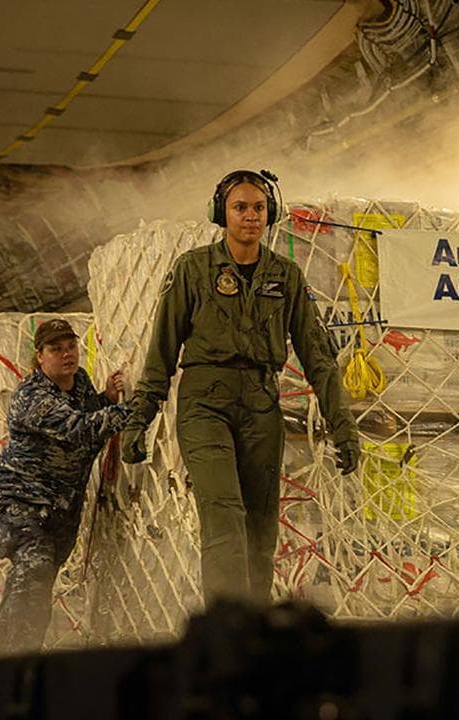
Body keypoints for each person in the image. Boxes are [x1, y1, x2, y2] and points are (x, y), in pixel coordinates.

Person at [120, 169, 360, 607]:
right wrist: (140, 419)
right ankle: (225, 632)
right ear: (221, 213)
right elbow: (161, 351)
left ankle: (257, 632)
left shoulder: (285, 277)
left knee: (260, 528)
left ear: (271, 215)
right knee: (225, 517)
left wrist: (342, 426)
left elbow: (318, 359)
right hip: (204, 403)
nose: (250, 217)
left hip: (260, 405)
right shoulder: (192, 269)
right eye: (240, 208)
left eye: (259, 208)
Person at [0, 318, 129, 653]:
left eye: (70, 347)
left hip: (59, 506)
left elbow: (84, 410)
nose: (67, 355)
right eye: (56, 349)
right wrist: (130, 410)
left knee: (36, 584)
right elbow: (76, 428)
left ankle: (6, 655)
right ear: (40, 356)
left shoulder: (78, 381)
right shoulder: (30, 397)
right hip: (20, 503)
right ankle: (13, 659)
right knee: (34, 568)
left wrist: (105, 398)